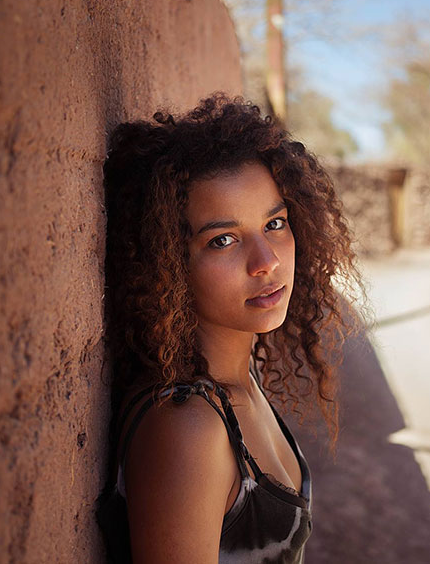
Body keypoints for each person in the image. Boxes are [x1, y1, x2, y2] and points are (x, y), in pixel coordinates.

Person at [97, 93, 363, 563]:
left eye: (275, 223)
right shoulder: (187, 425)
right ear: (167, 264)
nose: (267, 262)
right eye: (223, 240)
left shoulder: (238, 377)